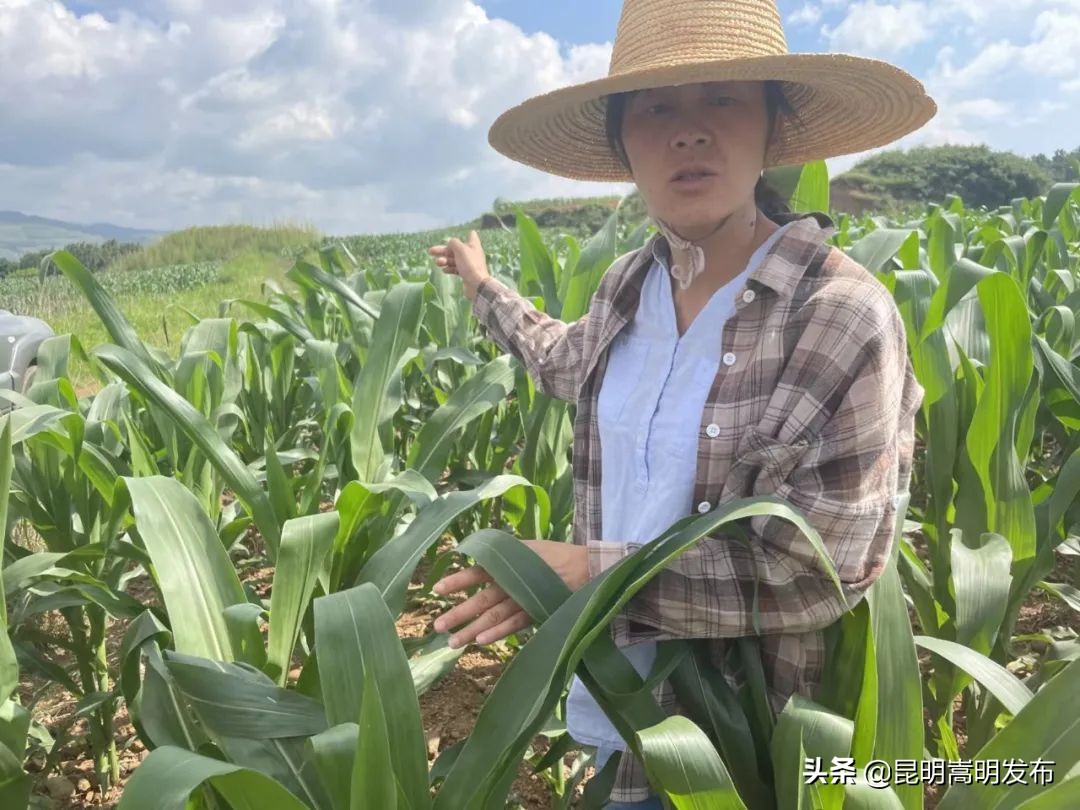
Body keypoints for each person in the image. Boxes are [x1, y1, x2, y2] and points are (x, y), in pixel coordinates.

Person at [427, 0, 933, 806]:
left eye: (723, 99)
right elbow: (565, 362)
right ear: (623, 143)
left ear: (773, 127)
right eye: (657, 108)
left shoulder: (839, 315)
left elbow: (824, 571)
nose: (688, 132)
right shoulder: (628, 284)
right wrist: (483, 287)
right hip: (612, 702)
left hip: (731, 744)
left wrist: (592, 576)